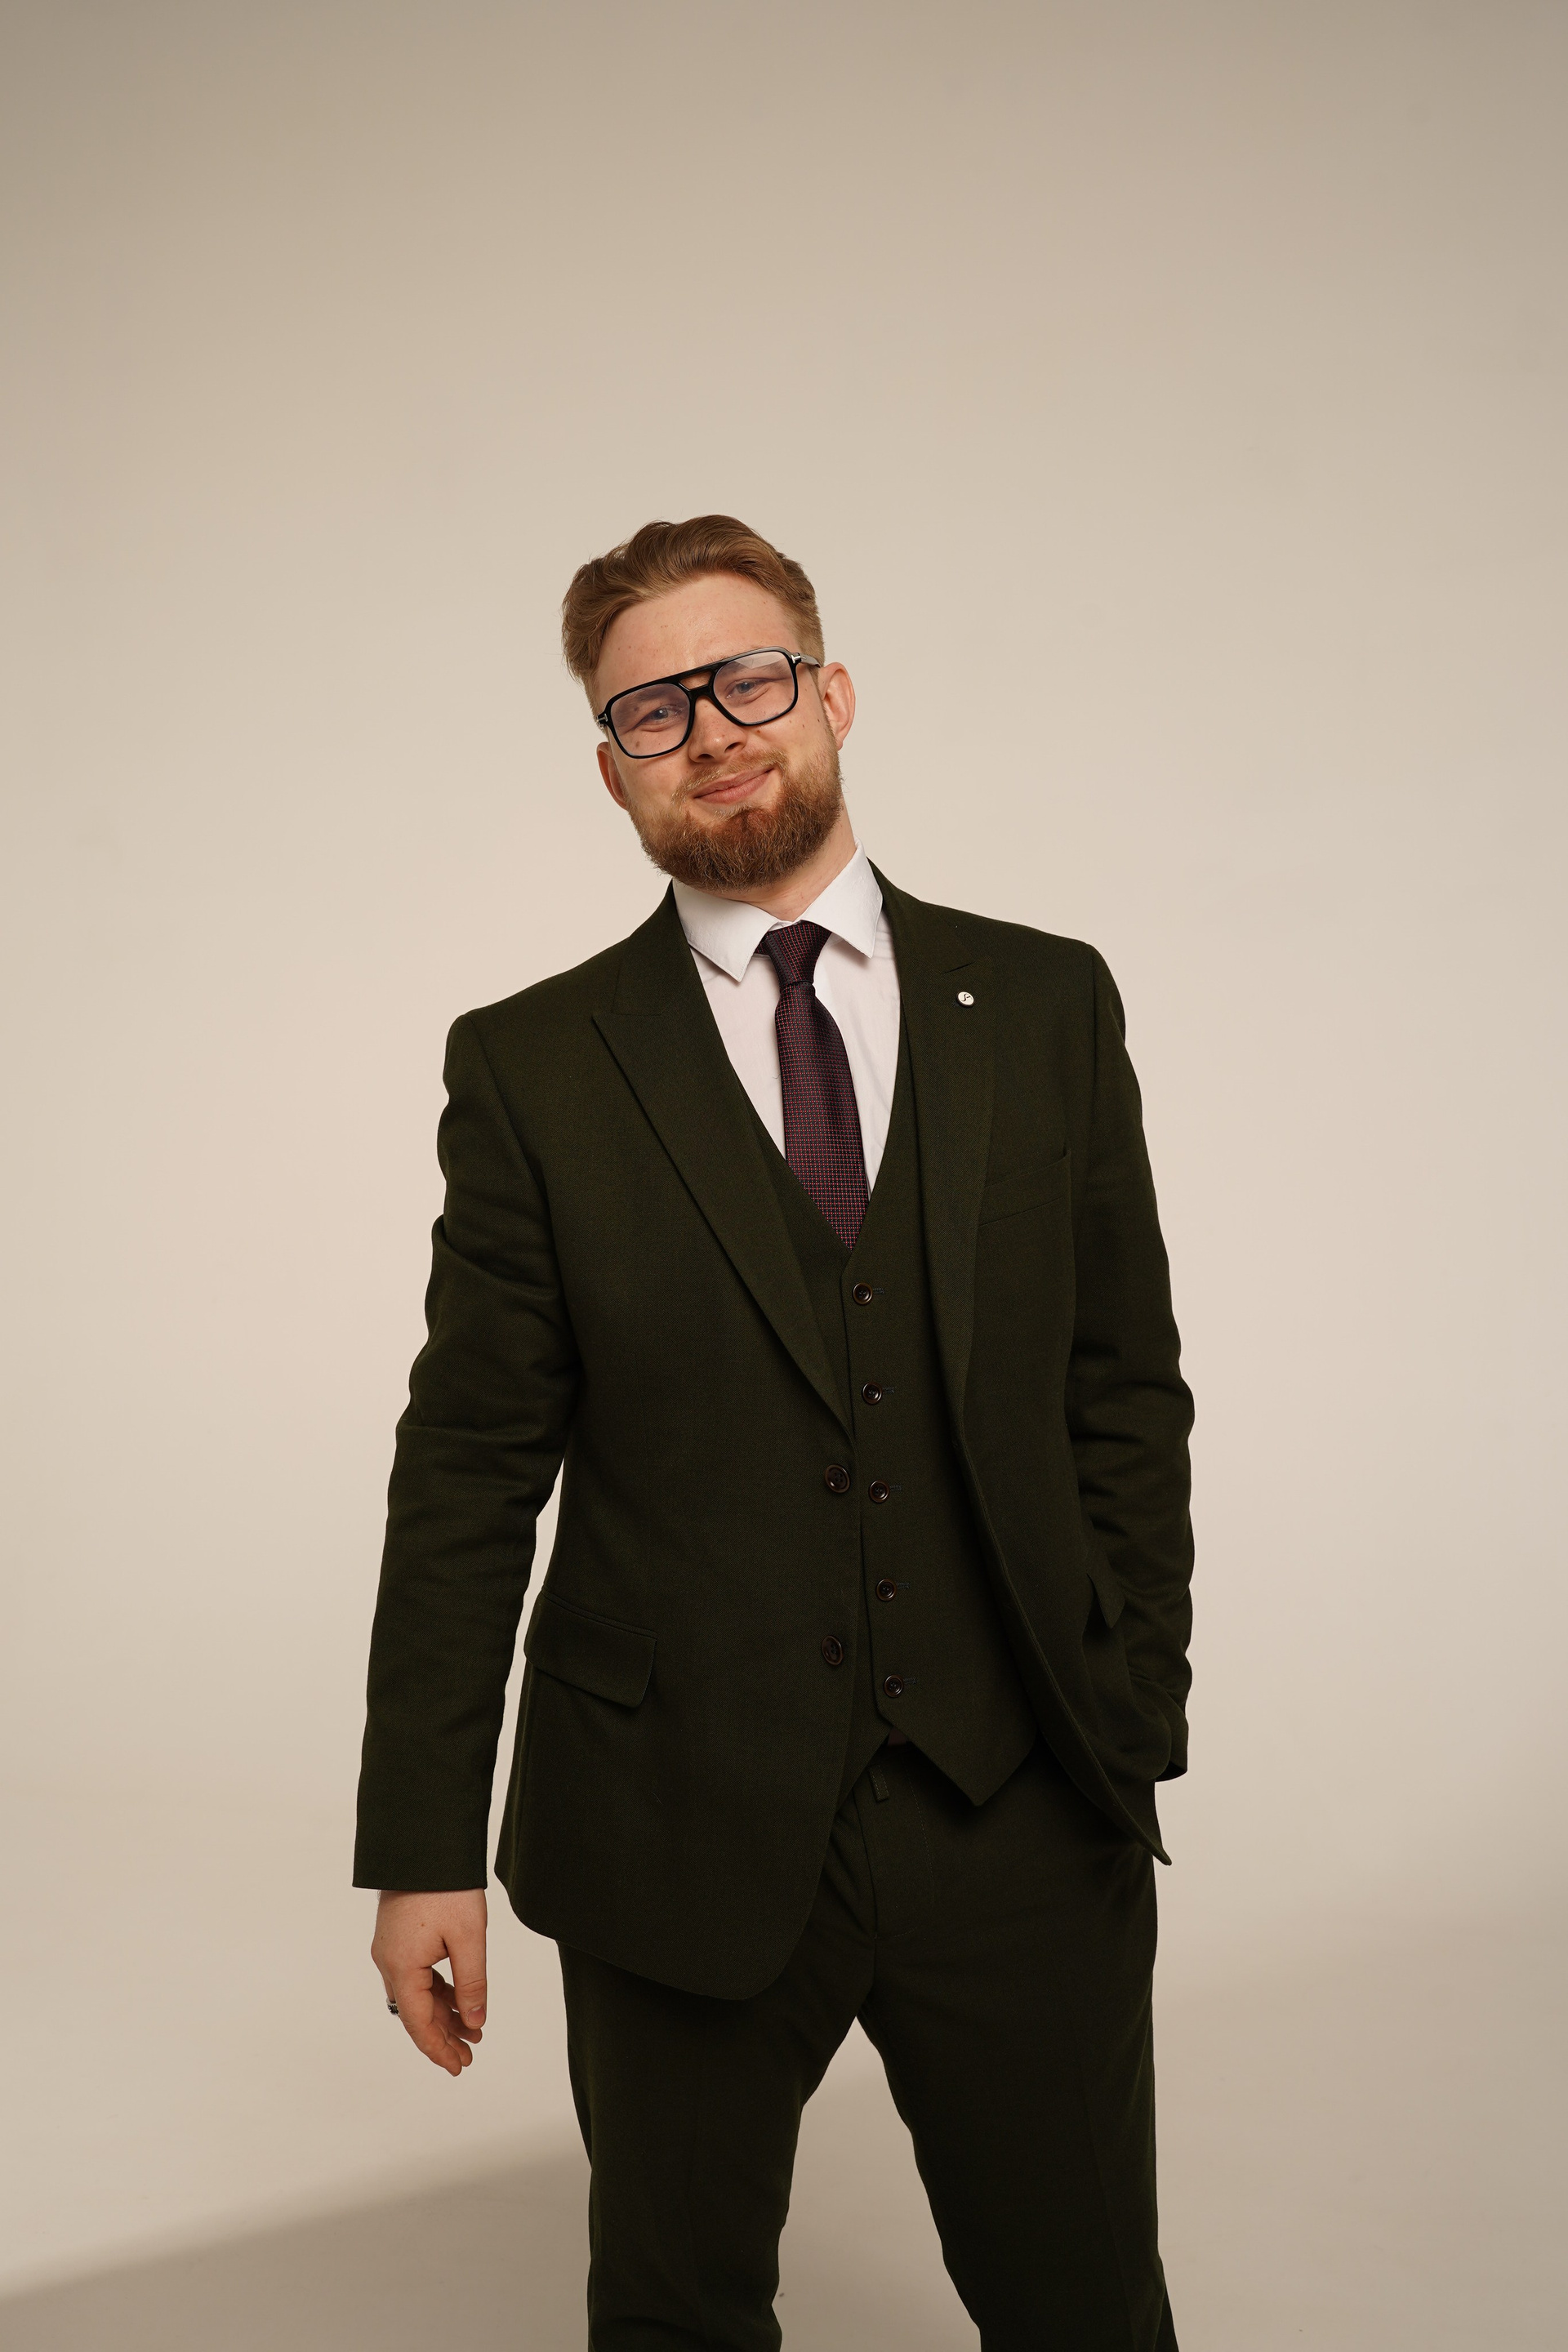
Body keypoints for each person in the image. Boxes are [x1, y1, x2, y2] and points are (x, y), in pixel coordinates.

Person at [354, 514, 1194, 2350]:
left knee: (1086, 2309)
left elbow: (1122, 1389)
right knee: (676, 2316)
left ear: (832, 693)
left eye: (748, 679)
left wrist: (1132, 1707)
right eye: (652, 709)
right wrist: (422, 1842)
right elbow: (470, 1467)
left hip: (1020, 1807)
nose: (713, 731)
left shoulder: (1044, 1000)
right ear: (612, 768)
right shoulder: (534, 1065)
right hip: (672, 1825)